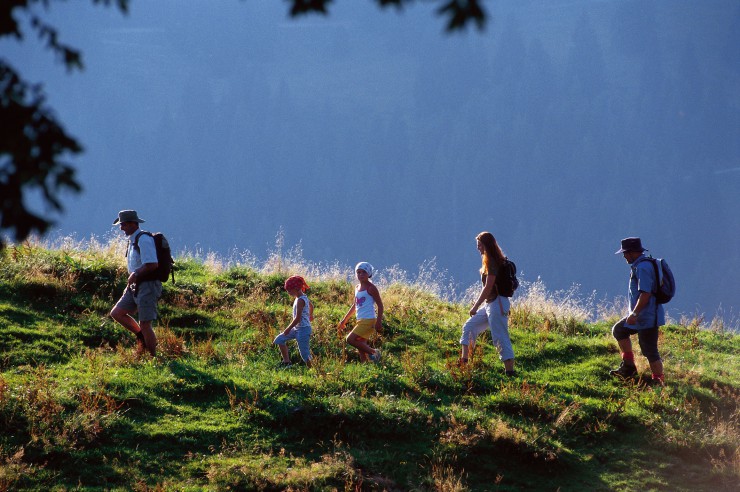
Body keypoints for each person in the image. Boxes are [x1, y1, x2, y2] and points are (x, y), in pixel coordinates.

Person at [459, 231, 516, 376]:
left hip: (498, 303)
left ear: (486, 245)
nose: (478, 248)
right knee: (469, 327)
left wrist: (475, 306)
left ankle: (510, 371)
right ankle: (463, 362)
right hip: (491, 303)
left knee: (500, 336)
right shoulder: (490, 260)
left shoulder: (493, 262)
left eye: (479, 245)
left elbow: (488, 286)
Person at [610, 237, 665, 384]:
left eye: (625, 253)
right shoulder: (640, 266)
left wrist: (634, 313)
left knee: (650, 350)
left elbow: (645, 293)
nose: (624, 256)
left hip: (647, 316)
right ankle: (629, 367)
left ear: (633, 252)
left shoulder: (643, 268)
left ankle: (658, 382)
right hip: (641, 315)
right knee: (619, 330)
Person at [110, 210, 161, 357]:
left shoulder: (143, 240)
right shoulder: (133, 240)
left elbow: (152, 264)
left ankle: (153, 357)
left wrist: (135, 273)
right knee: (117, 313)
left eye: (124, 224)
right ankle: (141, 338)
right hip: (134, 285)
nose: (121, 228)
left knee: (145, 324)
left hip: (147, 285)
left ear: (133, 223)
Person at [338, 262, 383, 363]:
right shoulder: (357, 287)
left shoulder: (371, 288)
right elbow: (355, 305)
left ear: (369, 274)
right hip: (360, 320)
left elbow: (380, 305)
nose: (361, 274)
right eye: (358, 272)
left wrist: (379, 321)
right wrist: (344, 320)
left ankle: (374, 353)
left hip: (369, 320)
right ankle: (365, 365)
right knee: (360, 345)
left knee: (350, 339)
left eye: (364, 272)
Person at [273, 275, 314, 368]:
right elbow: (311, 306)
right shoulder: (302, 297)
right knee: (279, 339)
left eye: (289, 290)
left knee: (305, 354)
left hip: (303, 330)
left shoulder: (300, 300)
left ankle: (314, 370)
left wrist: (288, 329)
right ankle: (287, 362)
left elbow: (297, 318)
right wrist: (310, 315)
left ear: (296, 288)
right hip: (297, 328)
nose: (288, 292)